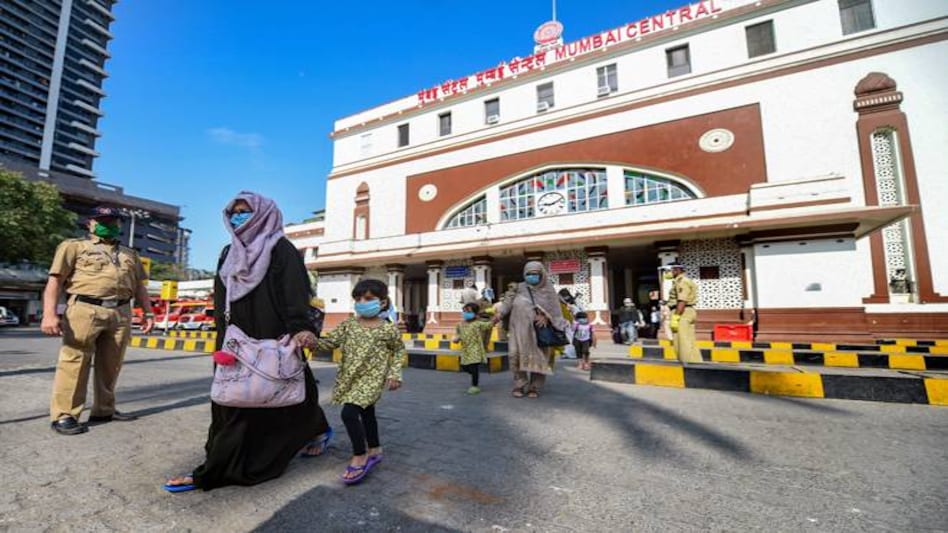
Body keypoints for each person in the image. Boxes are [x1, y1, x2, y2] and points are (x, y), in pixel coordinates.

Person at [163, 192, 332, 492]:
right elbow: (219, 301)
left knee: (281, 390)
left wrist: (301, 329)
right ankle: (216, 467)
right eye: (234, 212)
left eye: (246, 212)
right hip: (234, 340)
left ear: (263, 215)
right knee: (233, 400)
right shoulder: (228, 252)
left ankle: (312, 428)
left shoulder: (281, 249)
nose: (238, 217)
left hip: (273, 335)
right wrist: (221, 341)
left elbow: (295, 294)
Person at [41, 206, 155, 436]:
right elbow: (55, 282)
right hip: (84, 309)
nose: (108, 224)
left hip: (121, 311)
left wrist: (148, 313)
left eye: (113, 220)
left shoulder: (129, 254)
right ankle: (65, 415)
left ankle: (104, 410)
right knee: (74, 362)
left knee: (111, 364)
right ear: (90, 223)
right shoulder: (73, 247)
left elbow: (140, 287)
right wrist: (49, 314)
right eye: (102, 220)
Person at [313, 278, 404, 485]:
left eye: (369, 298)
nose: (362, 302)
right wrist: (311, 340)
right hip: (349, 378)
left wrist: (395, 374)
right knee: (367, 413)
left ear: (382, 303)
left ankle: (360, 454)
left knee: (349, 413)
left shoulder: (388, 329)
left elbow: (398, 351)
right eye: (358, 298)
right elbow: (330, 343)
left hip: (372, 379)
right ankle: (375, 448)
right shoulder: (348, 324)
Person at [497, 261, 567, 399]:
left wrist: (547, 318)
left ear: (541, 274)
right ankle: (520, 383)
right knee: (514, 355)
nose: (531, 276)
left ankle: (534, 386)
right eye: (528, 274)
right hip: (518, 329)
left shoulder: (548, 289)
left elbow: (556, 311)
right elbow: (507, 303)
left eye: (535, 274)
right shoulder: (517, 288)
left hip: (539, 331)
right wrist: (498, 315)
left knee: (539, 357)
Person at [452, 302, 495, 394]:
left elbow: (489, 325)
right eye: (464, 311)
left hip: (475, 349)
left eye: (468, 311)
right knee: (464, 366)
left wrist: (496, 318)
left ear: (475, 314)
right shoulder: (460, 325)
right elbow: (458, 334)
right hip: (465, 349)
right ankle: (473, 374)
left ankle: (474, 385)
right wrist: (456, 339)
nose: (466, 313)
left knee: (474, 367)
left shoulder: (478, 324)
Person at [668, 263, 701, 363]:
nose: (668, 273)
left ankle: (685, 363)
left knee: (682, 341)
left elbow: (682, 300)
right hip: (687, 311)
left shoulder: (681, 282)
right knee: (689, 340)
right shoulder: (682, 281)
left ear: (677, 270)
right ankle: (695, 362)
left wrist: (676, 317)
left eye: (670, 270)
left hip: (682, 312)